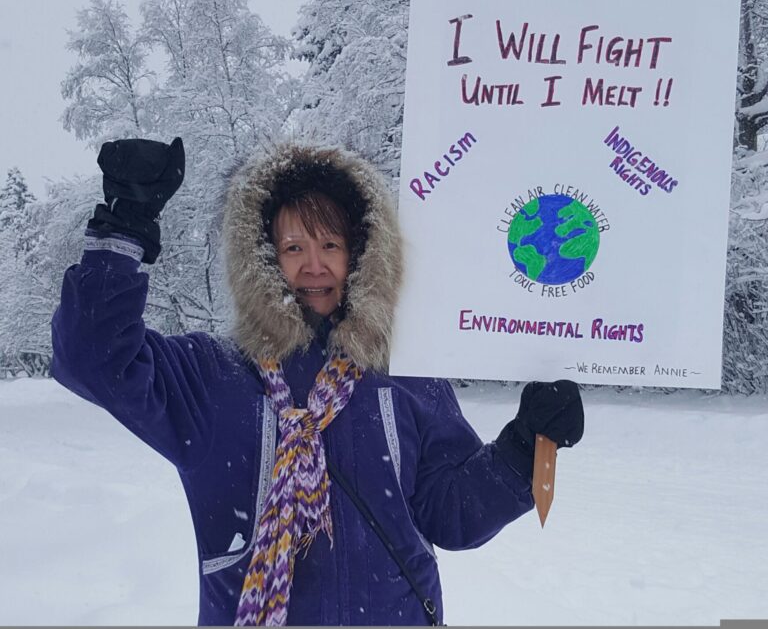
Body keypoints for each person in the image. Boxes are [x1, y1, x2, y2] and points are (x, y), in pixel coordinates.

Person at [51, 138, 584, 626]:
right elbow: (95, 358)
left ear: (361, 256)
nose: (313, 266)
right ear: (262, 260)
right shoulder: (214, 375)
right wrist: (124, 229)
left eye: (330, 245)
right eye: (292, 248)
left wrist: (522, 447)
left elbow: (449, 512)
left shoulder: (405, 374)